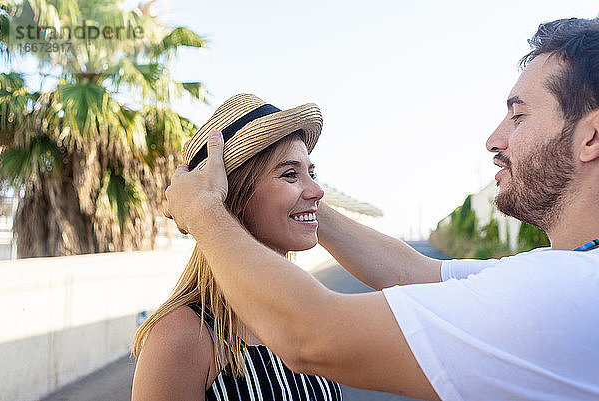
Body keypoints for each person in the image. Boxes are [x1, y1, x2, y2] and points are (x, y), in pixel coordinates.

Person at [163, 18, 599, 401]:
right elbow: (408, 273)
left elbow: (311, 334)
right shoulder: (181, 335)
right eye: (292, 173)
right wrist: (295, 198)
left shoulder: (565, 292)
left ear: (591, 137)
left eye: (518, 116)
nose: (493, 139)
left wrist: (206, 211)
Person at [131, 94, 342, 401]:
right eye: (290, 174)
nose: (317, 190)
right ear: (237, 197)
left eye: (311, 173)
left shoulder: (309, 314)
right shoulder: (183, 335)